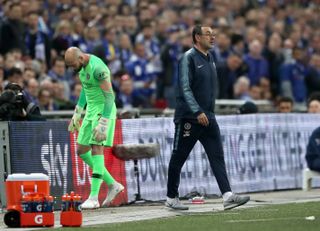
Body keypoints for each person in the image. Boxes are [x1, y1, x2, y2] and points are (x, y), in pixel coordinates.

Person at [166, 25, 250, 211]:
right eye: (208, 34)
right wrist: (197, 111)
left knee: (217, 156)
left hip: (209, 117)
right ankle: (171, 198)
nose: (213, 37)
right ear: (197, 37)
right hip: (190, 117)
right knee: (178, 158)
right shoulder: (188, 58)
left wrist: (208, 112)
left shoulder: (210, 58)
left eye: (214, 34)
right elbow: (184, 88)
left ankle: (227, 195)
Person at [64, 47, 124, 209]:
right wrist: (77, 112)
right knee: (82, 151)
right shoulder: (82, 67)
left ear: (81, 59)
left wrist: (104, 122)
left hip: (103, 110)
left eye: (72, 65)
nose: (71, 68)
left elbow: (110, 96)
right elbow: (86, 88)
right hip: (90, 110)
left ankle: (93, 197)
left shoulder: (98, 69)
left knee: (97, 148)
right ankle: (113, 184)